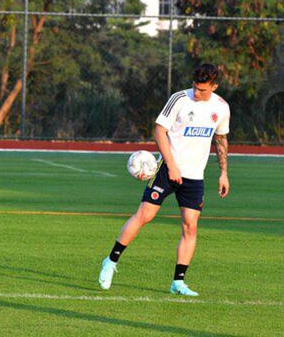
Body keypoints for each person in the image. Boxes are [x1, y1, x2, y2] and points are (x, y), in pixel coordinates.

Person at [98, 63, 230, 296]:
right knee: (144, 216)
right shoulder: (179, 99)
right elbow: (160, 131)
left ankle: (178, 282)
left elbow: (220, 140)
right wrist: (171, 166)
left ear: (215, 86)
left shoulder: (221, 107)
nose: (197, 93)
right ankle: (111, 261)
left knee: (190, 227)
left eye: (203, 89)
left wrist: (223, 173)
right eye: (195, 88)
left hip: (194, 176)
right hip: (167, 169)